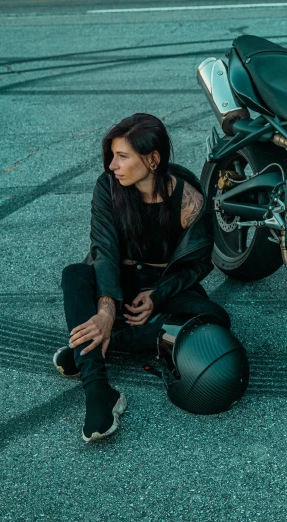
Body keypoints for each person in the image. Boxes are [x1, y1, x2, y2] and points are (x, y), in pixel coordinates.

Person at [56, 113, 230, 442]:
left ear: (152, 159)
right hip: (114, 280)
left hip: (160, 284)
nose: (112, 165)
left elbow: (199, 265)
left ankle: (90, 348)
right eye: (112, 156)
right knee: (75, 276)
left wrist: (158, 295)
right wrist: (107, 309)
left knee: (214, 319)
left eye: (122, 157)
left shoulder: (189, 199)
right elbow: (103, 251)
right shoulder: (107, 187)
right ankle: (99, 390)